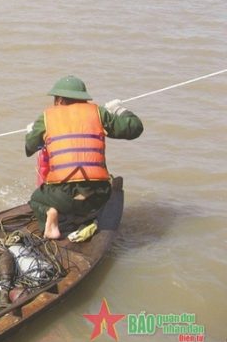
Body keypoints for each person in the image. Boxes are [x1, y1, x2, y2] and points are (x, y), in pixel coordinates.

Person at [25, 75, 143, 239]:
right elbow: (135, 128)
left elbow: (29, 147)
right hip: (99, 194)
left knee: (36, 199)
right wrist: (118, 109)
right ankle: (83, 213)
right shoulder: (99, 113)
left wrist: (32, 132)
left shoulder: (46, 118)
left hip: (64, 195)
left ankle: (51, 215)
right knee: (86, 195)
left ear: (58, 99)